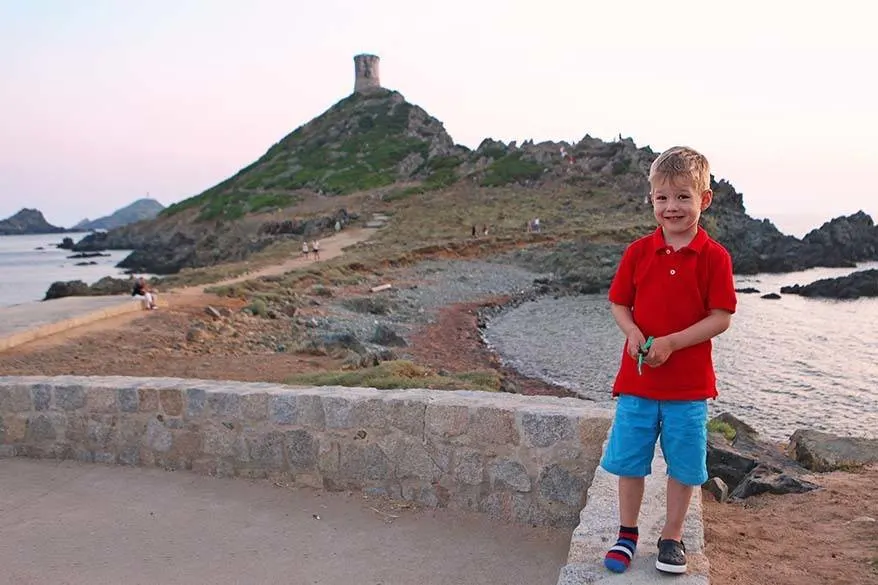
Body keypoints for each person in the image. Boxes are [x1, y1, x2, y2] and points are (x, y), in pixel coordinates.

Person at [600, 146, 736, 576]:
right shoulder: (638, 252)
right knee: (629, 462)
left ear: (704, 199)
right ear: (651, 199)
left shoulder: (715, 257)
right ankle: (627, 533)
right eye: (662, 198)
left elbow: (721, 317)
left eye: (682, 197)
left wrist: (674, 342)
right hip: (638, 384)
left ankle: (672, 537)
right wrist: (634, 332)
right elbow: (620, 303)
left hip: (688, 389)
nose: (671, 207)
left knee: (685, 466)